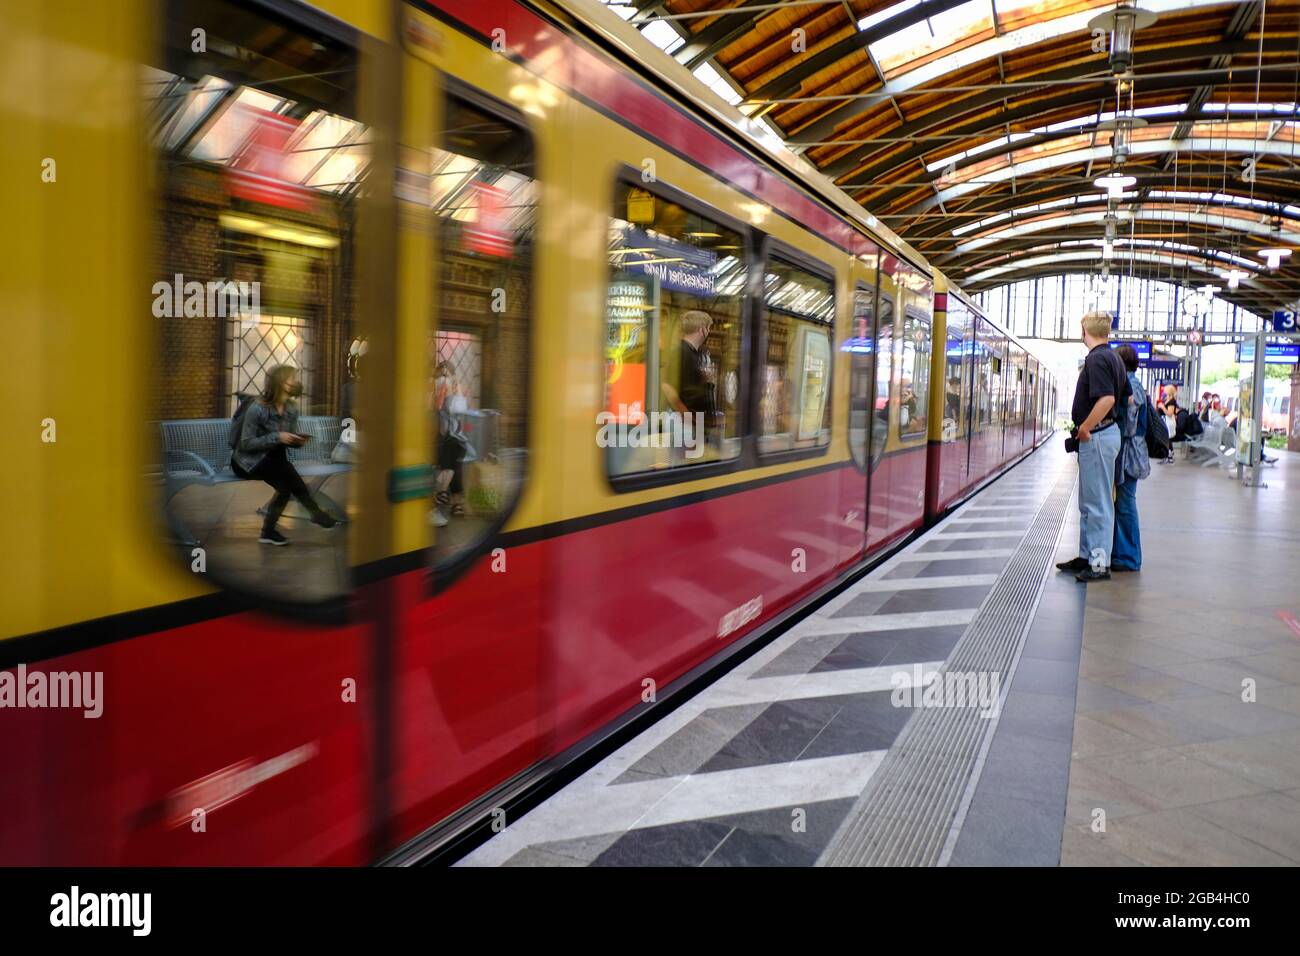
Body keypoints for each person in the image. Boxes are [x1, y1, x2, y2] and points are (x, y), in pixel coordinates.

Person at [1056, 311, 1128, 582]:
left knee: (1097, 504)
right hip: (1103, 435)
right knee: (1089, 502)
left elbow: (1107, 399)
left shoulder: (1097, 359)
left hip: (1097, 436)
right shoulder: (1114, 358)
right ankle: (1087, 556)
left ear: (1084, 330)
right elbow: (1126, 398)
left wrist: (1085, 427)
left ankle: (1098, 564)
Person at [231, 364, 337, 546]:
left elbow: (286, 440)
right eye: (292, 379)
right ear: (280, 383)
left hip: (275, 461)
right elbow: (245, 444)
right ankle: (315, 513)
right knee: (287, 475)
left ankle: (268, 532)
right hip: (247, 462)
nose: (296, 383)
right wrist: (277, 436)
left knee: (286, 485)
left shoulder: (292, 408)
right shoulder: (257, 408)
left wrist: (296, 441)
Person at [1111, 345, 1148, 572]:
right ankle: (1123, 553)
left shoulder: (1131, 385)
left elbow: (1129, 426)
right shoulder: (1132, 383)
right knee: (1123, 503)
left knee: (1125, 504)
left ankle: (1129, 557)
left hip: (1129, 455)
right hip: (1129, 453)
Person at [430, 361, 470, 528]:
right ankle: (454, 501)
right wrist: (440, 392)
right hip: (437, 436)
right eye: (442, 374)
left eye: (448, 374)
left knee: (457, 448)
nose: (444, 378)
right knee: (456, 451)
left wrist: (456, 390)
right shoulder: (433, 389)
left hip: (450, 437)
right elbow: (435, 409)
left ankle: (442, 493)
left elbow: (461, 410)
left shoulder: (455, 389)